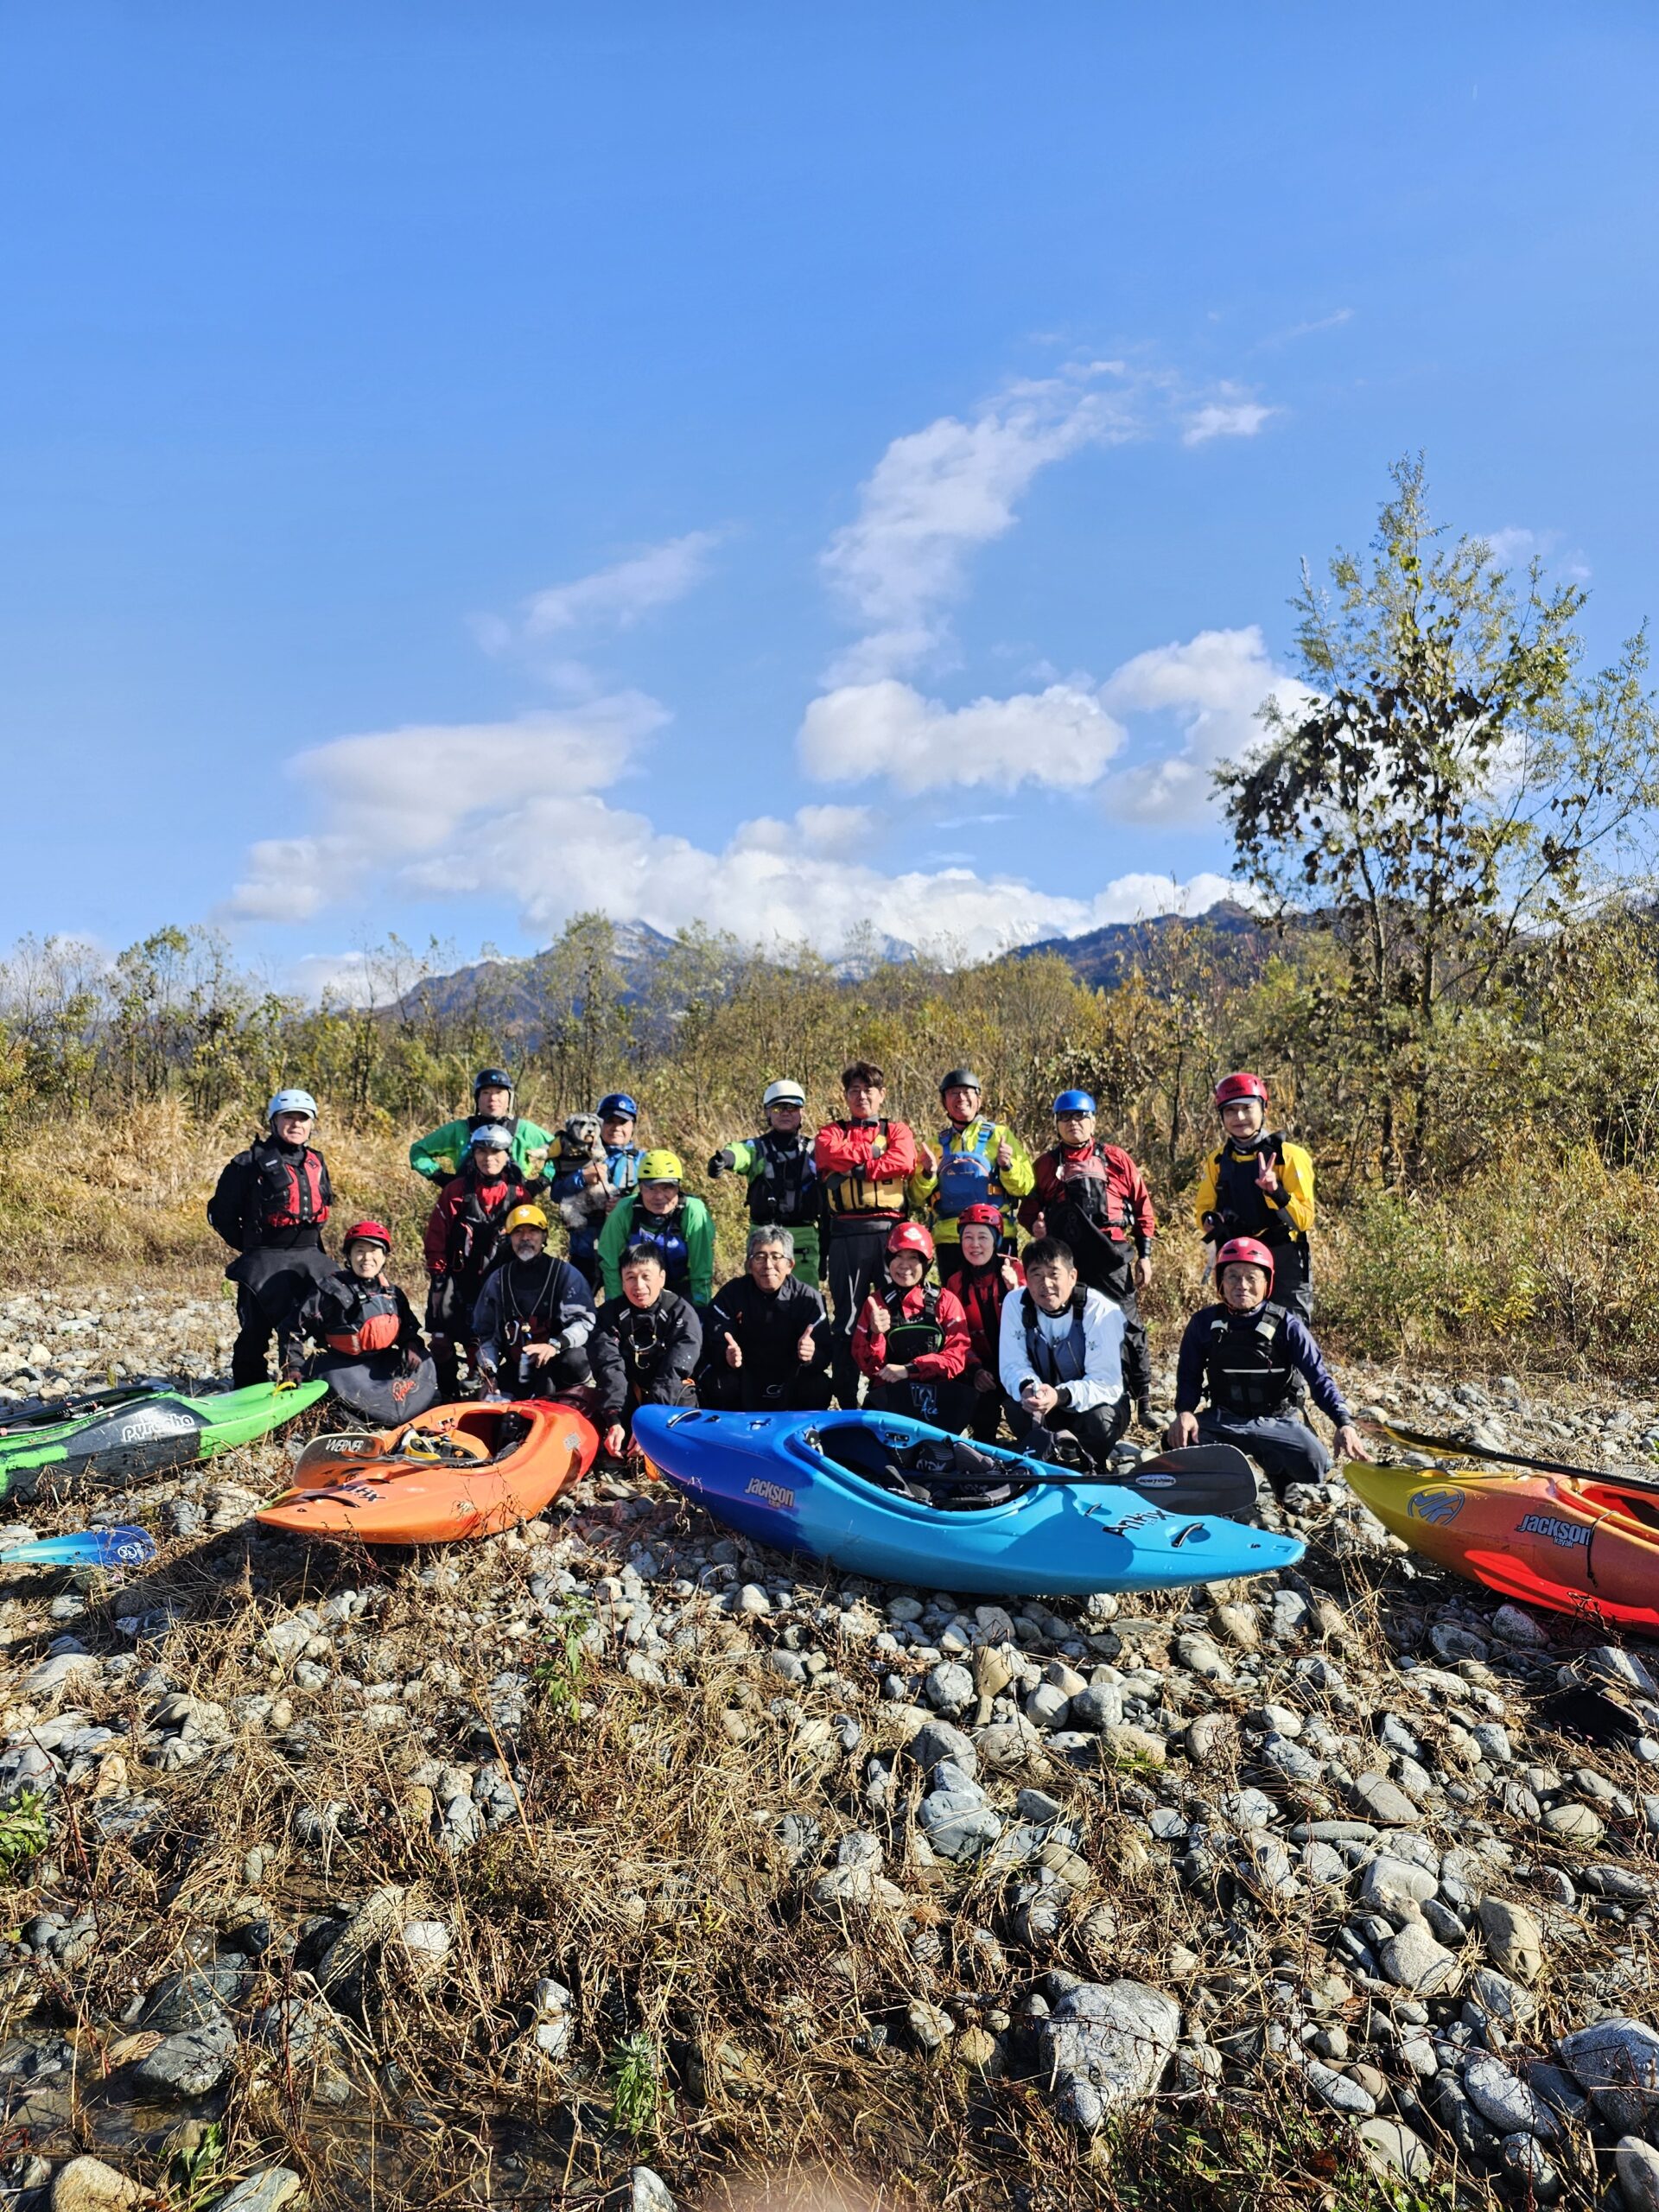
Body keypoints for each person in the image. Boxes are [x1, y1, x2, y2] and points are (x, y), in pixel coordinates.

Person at [1167, 1236, 1361, 1497]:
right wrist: (1185, 1412)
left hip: (1277, 1421)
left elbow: (1319, 1379)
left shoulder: (1288, 1326)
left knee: (1316, 1464)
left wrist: (1343, 1422)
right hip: (1225, 1419)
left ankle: (1279, 1475)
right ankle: (1223, 1485)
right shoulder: (1203, 1323)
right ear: (1221, 1282)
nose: (1242, 1285)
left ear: (1267, 1282)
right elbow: (1188, 1377)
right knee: (1176, 1441)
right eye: (1233, 1276)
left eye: (1252, 1277)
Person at [1020, 1090, 1158, 1428]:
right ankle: (1077, 1399)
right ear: (1057, 1124)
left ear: (1093, 1121)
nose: (1073, 1123)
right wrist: (1036, 1226)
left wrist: (1145, 1255)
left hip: (1111, 1255)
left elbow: (1142, 1205)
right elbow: (1028, 1211)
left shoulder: (1116, 1158)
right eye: (1065, 1117)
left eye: (1081, 1116)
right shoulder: (1046, 1165)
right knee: (1073, 1327)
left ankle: (1143, 1398)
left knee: (1128, 1325)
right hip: (1067, 1260)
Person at [207, 1088, 336, 1388]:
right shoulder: (247, 1163)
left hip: (310, 1256)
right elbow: (221, 1215)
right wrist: (251, 1248)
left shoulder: (316, 1161)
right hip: (263, 1256)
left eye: (303, 1118)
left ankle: (319, 1381)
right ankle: (248, 1389)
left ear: (311, 1124)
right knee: (254, 1332)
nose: (296, 1124)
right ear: (274, 1121)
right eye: (288, 1117)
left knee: (328, 1322)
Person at [814, 1061, 918, 1406]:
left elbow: (903, 1161)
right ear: (846, 1096)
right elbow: (826, 1154)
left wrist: (854, 1170)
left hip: (891, 1234)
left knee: (897, 1311)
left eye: (868, 1090)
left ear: (881, 1094)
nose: (861, 1096)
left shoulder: (897, 1130)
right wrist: (873, 1153)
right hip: (845, 1233)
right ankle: (847, 1397)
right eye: (854, 1090)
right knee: (847, 1317)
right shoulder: (832, 1132)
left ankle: (892, 1393)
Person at [423, 1123, 546, 1398]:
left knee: (497, 1340)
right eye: (482, 1151)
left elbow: (531, 1239)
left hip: (501, 1280)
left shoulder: (519, 1195)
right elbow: (436, 1236)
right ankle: (447, 1396)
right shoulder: (455, 1191)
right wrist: (438, 1276)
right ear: (473, 1154)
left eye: (496, 1152)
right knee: (441, 1342)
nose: (489, 1158)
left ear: (507, 1155)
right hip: (456, 1277)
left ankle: (488, 1389)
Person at [998, 1235, 1129, 1465]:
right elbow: (1012, 1363)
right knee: (1016, 1406)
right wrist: (1028, 1388)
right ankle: (1044, 1459)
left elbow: (1106, 1383)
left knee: (1100, 1421)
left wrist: (1059, 1396)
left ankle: (1085, 1463)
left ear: (1072, 1276)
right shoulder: (1015, 1303)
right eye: (1036, 1275)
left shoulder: (1099, 1310)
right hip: (1046, 1401)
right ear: (1026, 1278)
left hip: (1091, 1405)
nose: (1045, 1284)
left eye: (1054, 1274)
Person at [1194, 1071, 1316, 1317]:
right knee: (1240, 1331)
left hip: (1284, 1258)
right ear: (1221, 1116)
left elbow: (1304, 1220)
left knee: (1289, 1330)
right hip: (1239, 1258)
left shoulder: (1289, 1156)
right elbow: (1203, 1209)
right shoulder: (1217, 1160)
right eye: (1230, 1110)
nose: (1239, 1117)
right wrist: (1209, 1220)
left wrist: (1275, 1191)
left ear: (1263, 1109)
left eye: (1247, 1108)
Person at [287, 1220, 435, 1418]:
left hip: (381, 1363)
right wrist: (293, 1367)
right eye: (360, 1251)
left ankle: (391, 1413)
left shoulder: (392, 1293)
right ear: (349, 1256)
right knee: (325, 1383)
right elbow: (293, 1329)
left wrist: (411, 1345)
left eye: (374, 1251)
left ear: (384, 1256)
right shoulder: (331, 1291)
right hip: (343, 1369)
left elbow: (408, 1327)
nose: (367, 1258)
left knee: (425, 1360)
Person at [852, 1221, 974, 1432]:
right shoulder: (876, 1303)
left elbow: (956, 1358)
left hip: (940, 1400)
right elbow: (871, 1369)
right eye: (898, 1256)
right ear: (889, 1259)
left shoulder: (946, 1301)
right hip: (894, 1399)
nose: (904, 1265)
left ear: (927, 1263)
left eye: (913, 1258)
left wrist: (910, 1370)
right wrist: (875, 1334)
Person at [697, 1227, 833, 1413]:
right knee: (717, 1383)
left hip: (790, 1378)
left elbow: (825, 1353)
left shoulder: (808, 1299)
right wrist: (726, 1356)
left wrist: (811, 1355)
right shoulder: (732, 1294)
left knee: (818, 1386)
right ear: (749, 1264)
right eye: (760, 1257)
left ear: (790, 1264)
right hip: (744, 1376)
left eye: (776, 1257)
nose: (768, 1265)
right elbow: (713, 1341)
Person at [471, 1204, 596, 1402]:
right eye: (518, 1232)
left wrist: (555, 1345)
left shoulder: (565, 1275)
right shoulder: (498, 1280)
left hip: (557, 1364)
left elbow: (585, 1322)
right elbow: (484, 1334)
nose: (525, 1238)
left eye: (533, 1231)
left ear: (544, 1236)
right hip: (517, 1367)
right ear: (509, 1238)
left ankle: (573, 1397)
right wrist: (490, 1375)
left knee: (575, 1361)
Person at [909, 1067, 1033, 1259]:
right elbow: (916, 1197)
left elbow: (1025, 1187)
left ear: (979, 1100)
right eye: (953, 1093)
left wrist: (1007, 1166)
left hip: (996, 1233)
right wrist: (928, 1173)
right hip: (950, 1238)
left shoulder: (1000, 1135)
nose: (961, 1098)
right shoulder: (933, 1145)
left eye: (967, 1092)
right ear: (944, 1101)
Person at [590, 1246, 702, 1459]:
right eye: (630, 1277)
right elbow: (608, 1368)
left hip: (669, 1395)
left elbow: (674, 1371)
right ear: (622, 1282)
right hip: (628, 1392)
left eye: (646, 1277)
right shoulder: (608, 1315)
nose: (639, 1286)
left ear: (662, 1278)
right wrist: (614, 1419)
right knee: (612, 1417)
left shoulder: (681, 1313)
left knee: (683, 1404)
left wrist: (651, 1423)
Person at [708, 1079, 823, 1282]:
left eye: (792, 1107)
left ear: (802, 1112)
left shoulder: (816, 1151)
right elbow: (740, 1153)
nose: (785, 1113)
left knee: (805, 1296)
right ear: (767, 1112)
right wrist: (724, 1160)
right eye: (778, 1108)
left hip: (803, 1237)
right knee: (759, 1293)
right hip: (763, 1236)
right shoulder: (757, 1148)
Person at [941, 1202, 1026, 1443]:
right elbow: (956, 1336)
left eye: (983, 1237)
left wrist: (1016, 1290)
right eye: (968, 1237)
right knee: (978, 1403)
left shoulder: (1016, 1270)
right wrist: (975, 1369)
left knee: (1022, 1412)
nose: (975, 1244)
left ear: (996, 1241)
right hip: (983, 1365)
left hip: (1020, 1364)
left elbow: (1036, 1326)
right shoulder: (956, 1282)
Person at [550, 1091, 645, 1287]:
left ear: (632, 1126)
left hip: (627, 1251)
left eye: (623, 1122)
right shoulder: (576, 1154)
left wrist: (626, 1205)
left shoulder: (643, 1161)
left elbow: (659, 1201)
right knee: (576, 1301)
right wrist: (581, 1178)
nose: (616, 1127)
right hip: (584, 1250)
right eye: (610, 1121)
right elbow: (556, 1194)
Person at [596, 1151, 715, 1307]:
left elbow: (702, 1266)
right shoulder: (624, 1210)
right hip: (638, 1287)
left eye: (667, 1188)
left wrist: (701, 1307)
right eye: (651, 1188)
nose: (659, 1197)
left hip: (681, 1287)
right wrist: (616, 1305)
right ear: (640, 1187)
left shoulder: (693, 1211)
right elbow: (609, 1262)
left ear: (678, 1187)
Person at [408, 1067, 553, 1186]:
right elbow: (418, 1150)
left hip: (515, 1207)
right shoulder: (460, 1130)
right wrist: (439, 1176)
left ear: (509, 1098)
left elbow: (561, 1150)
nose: (493, 1098)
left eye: (499, 1092)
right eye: (486, 1092)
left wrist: (541, 1181)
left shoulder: (524, 1130)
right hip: (466, 1206)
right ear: (477, 1098)